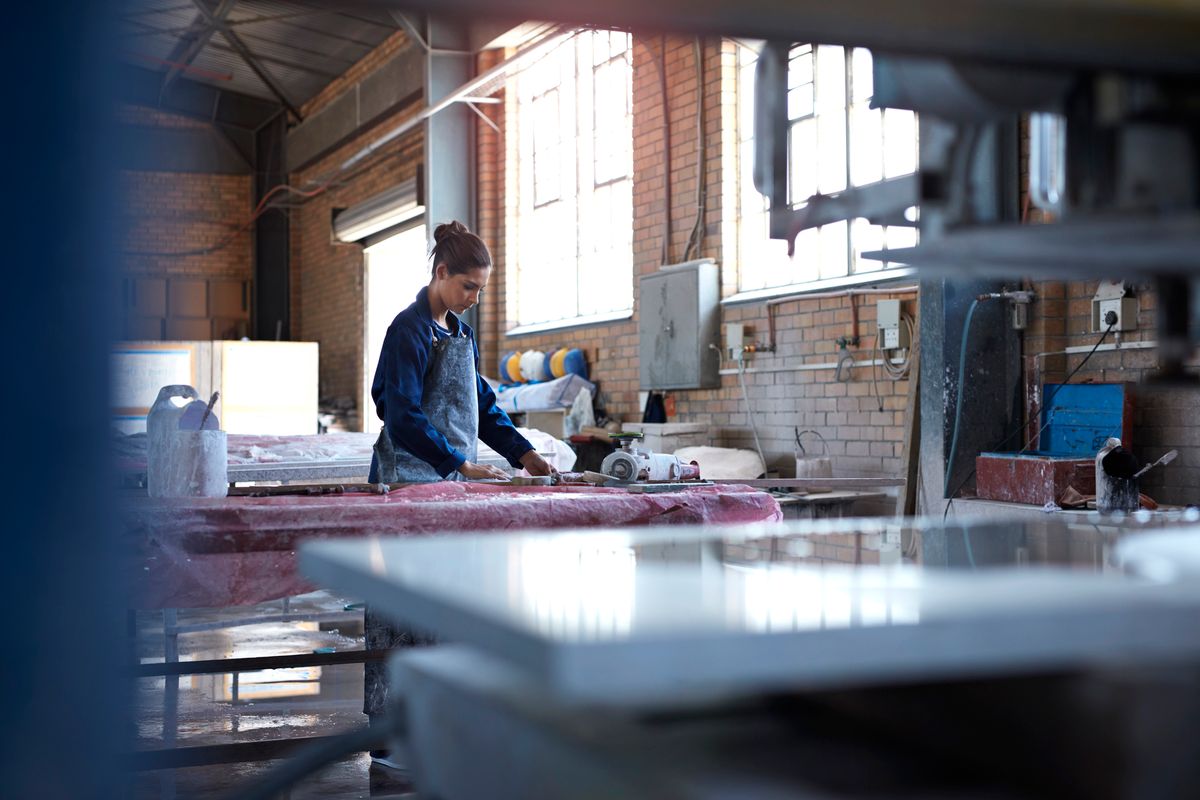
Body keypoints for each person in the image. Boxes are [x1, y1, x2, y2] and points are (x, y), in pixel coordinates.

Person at [363, 220, 554, 769]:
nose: (473, 300)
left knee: (446, 604)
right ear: (441, 273)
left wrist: (522, 453)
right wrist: (458, 463)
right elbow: (398, 412)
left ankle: (439, 721)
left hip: (451, 483)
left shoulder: (463, 337)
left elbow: (485, 408)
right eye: (467, 287)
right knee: (398, 610)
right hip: (407, 482)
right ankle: (388, 735)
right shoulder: (409, 330)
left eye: (481, 290)